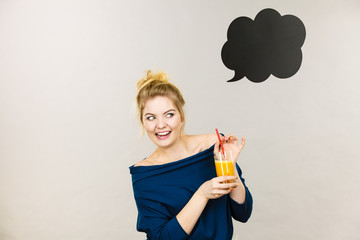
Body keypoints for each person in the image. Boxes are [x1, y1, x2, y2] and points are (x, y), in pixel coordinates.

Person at [129, 70, 253, 240]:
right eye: (151, 118)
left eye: (169, 114)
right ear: (143, 122)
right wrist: (202, 194)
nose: (160, 125)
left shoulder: (213, 146)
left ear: (181, 115)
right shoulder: (144, 175)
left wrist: (230, 168)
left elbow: (243, 213)